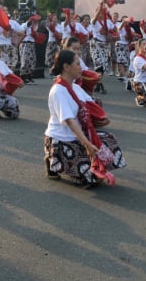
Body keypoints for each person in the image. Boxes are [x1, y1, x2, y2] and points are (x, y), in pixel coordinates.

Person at [43, 49, 126, 188]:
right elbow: (69, 121)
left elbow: (90, 106)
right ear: (66, 67)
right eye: (77, 64)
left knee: (109, 140)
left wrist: (101, 119)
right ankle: (53, 161)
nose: (81, 68)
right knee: (92, 177)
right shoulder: (58, 90)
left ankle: (71, 166)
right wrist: (87, 144)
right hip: (62, 140)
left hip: (76, 136)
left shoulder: (75, 87)